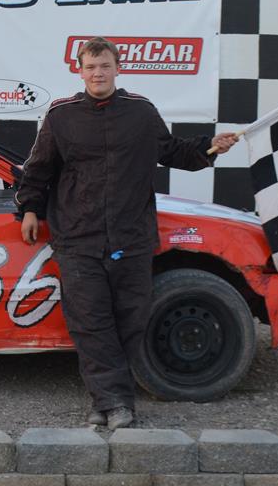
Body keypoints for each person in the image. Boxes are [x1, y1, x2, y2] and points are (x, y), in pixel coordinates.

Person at [15, 37, 238, 430]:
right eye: (90, 67)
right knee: (89, 321)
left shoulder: (141, 112)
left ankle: (109, 400)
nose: (98, 73)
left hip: (131, 237)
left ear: (118, 69)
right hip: (78, 238)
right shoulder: (60, 116)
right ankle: (114, 402)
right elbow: (39, 169)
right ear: (79, 71)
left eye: (104, 66)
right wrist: (30, 208)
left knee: (131, 319)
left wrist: (211, 148)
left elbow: (173, 152)